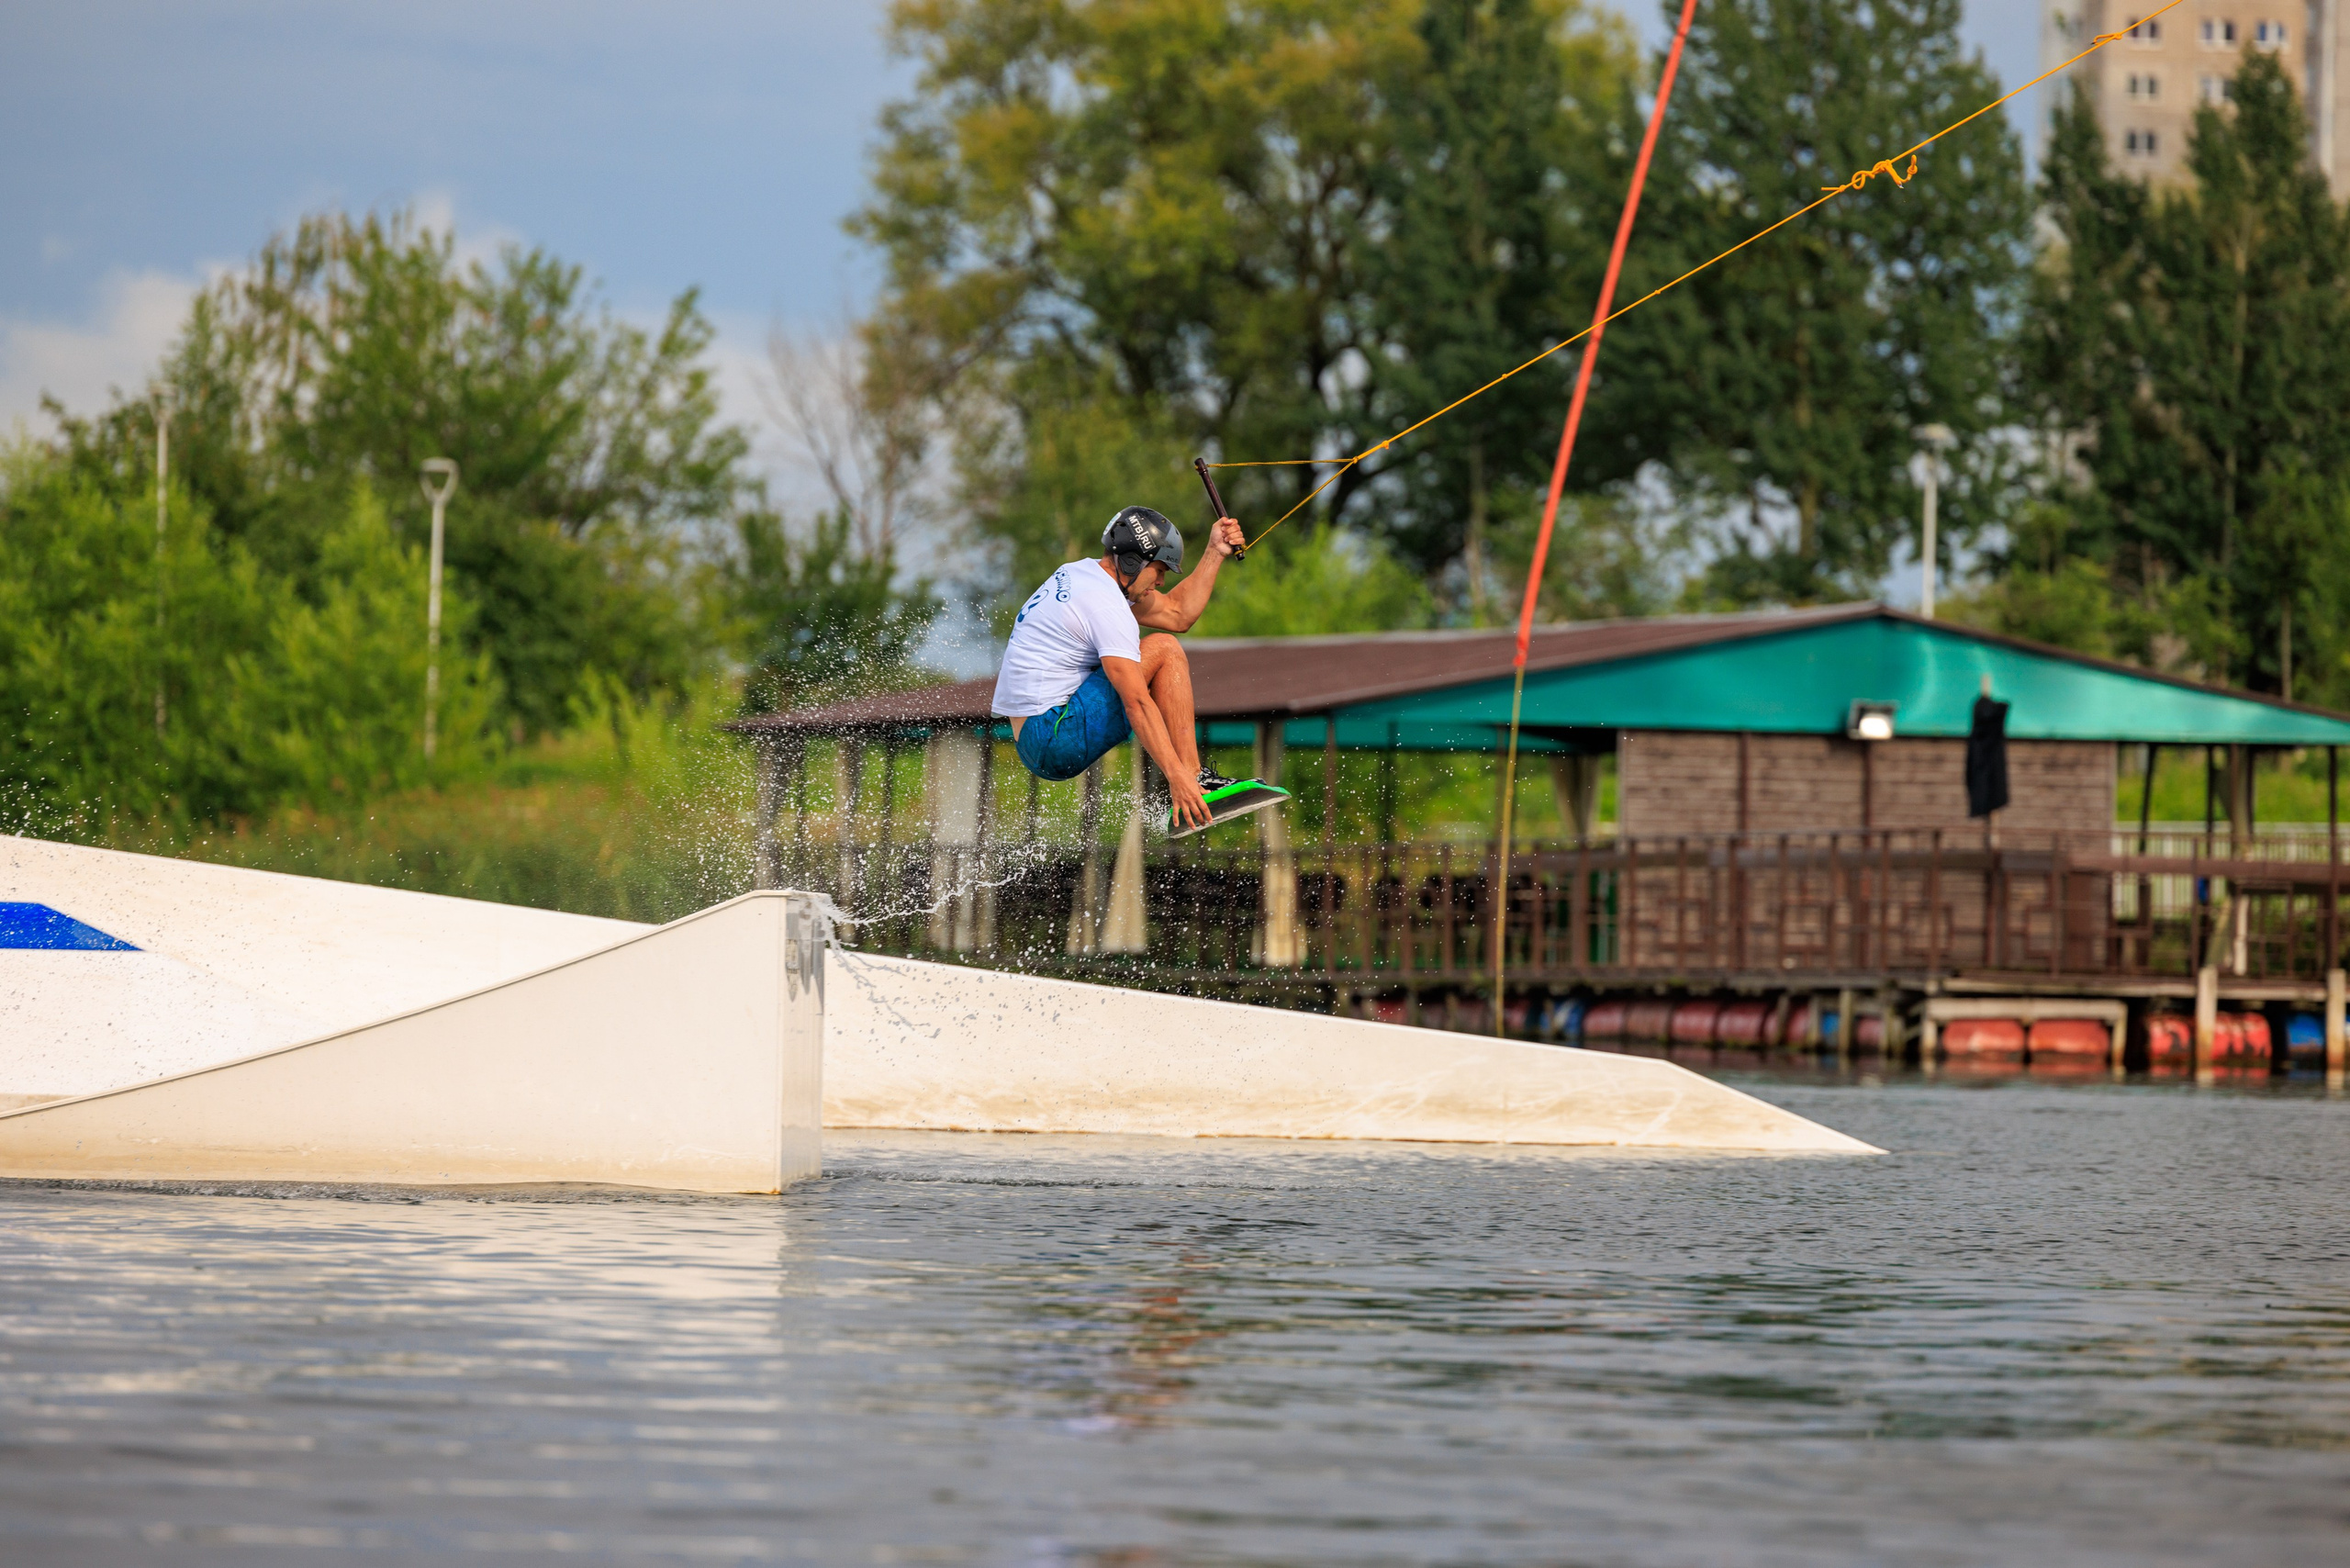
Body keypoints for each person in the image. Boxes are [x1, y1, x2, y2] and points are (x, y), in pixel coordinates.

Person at [993, 505, 1257, 831]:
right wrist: (1176, 777)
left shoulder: (1083, 575)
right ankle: (1194, 781)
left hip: (1036, 740)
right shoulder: (1105, 605)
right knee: (1163, 648)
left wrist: (1215, 552)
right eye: (1159, 570)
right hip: (1053, 738)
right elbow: (1136, 703)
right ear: (1132, 561)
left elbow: (1177, 613)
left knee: (1165, 643)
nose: (1161, 582)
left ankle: (1193, 779)